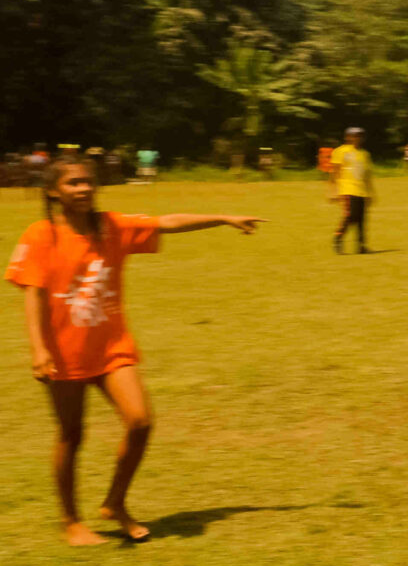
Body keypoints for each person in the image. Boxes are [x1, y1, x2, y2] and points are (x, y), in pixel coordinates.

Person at [10, 157, 261, 544]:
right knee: (71, 434)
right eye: (73, 183)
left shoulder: (110, 226)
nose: (83, 189)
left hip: (111, 348)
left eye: (88, 182)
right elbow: (33, 293)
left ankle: (115, 502)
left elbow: (167, 222)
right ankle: (71, 522)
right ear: (53, 190)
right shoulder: (42, 235)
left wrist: (223, 217)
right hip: (63, 352)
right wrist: (39, 349)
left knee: (140, 421)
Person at [328, 127, 373, 254]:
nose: (357, 139)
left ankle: (361, 246)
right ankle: (338, 237)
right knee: (350, 215)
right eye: (355, 136)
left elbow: (367, 176)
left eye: (360, 136)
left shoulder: (364, 154)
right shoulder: (340, 151)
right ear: (348, 137)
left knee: (361, 219)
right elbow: (334, 173)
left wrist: (370, 193)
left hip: (361, 190)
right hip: (347, 189)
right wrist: (332, 191)